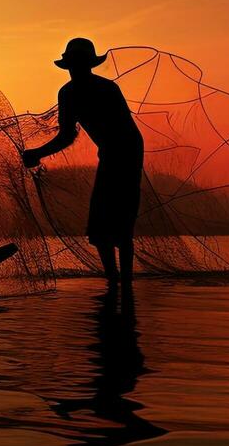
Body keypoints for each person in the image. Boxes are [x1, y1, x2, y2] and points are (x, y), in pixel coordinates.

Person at [22, 38, 144, 294]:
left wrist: (38, 153)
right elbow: (68, 135)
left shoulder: (107, 89)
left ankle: (124, 284)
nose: (75, 68)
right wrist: (39, 153)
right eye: (73, 64)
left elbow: (120, 129)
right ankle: (115, 281)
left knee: (120, 222)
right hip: (111, 154)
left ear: (87, 64)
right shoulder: (67, 93)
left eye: (79, 63)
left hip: (127, 153)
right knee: (101, 226)